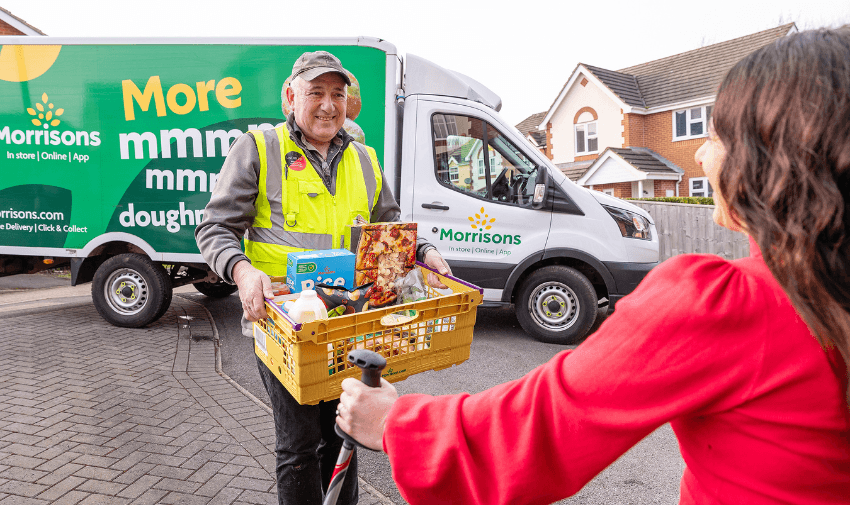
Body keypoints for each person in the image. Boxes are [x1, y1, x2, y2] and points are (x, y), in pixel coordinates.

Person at [336, 27, 850, 504]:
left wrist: (396, 424)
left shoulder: (727, 306)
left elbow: (537, 432)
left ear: (769, 159)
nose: (698, 156)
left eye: (714, 136)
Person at [195, 50, 451, 505]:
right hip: (282, 326)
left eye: (338, 93)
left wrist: (426, 251)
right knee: (297, 448)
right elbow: (215, 227)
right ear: (291, 96)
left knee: (342, 440)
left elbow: (388, 228)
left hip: (348, 322)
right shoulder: (259, 148)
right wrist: (242, 270)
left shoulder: (365, 159)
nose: (328, 104)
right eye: (316, 92)